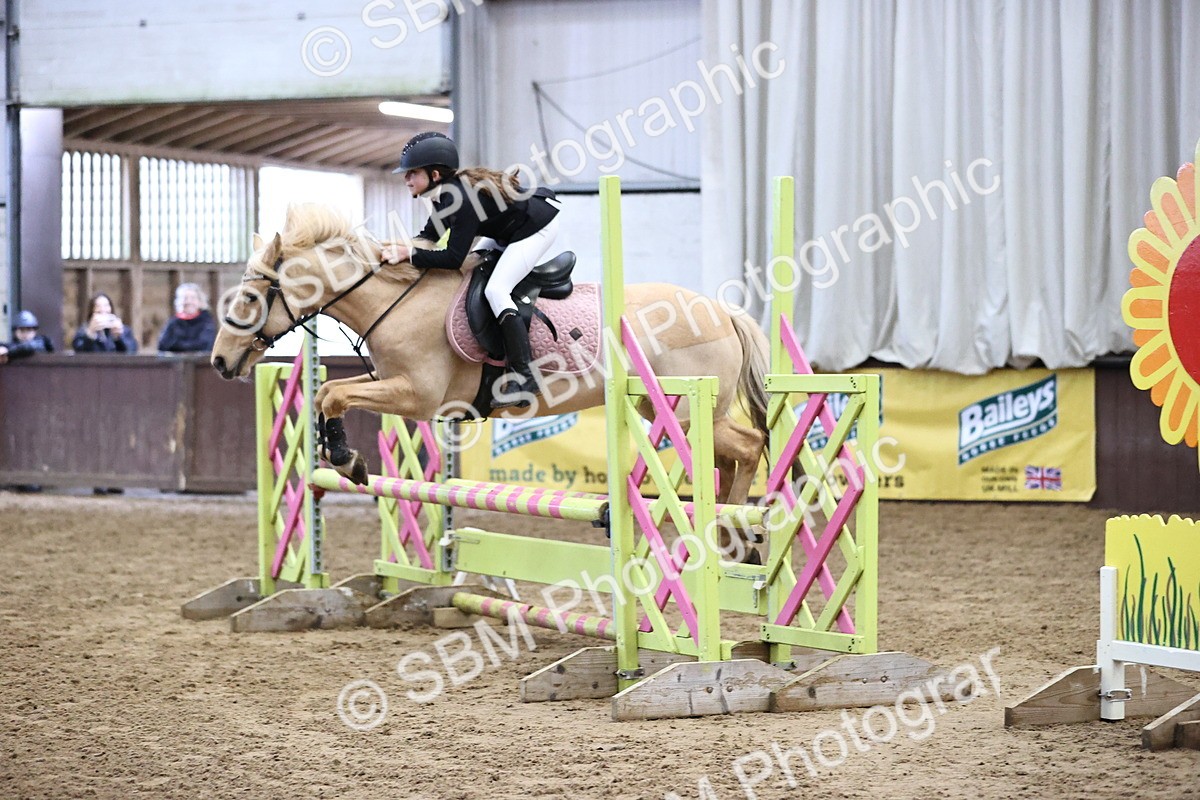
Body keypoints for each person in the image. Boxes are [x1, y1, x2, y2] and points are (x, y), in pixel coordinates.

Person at [380, 132, 568, 409]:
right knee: (476, 269)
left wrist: (409, 254)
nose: (406, 179)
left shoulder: (462, 199)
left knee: (496, 290)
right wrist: (387, 251)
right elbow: (429, 237)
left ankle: (526, 374)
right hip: (508, 229)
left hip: (535, 227)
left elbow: (453, 257)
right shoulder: (442, 195)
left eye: (412, 173)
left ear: (433, 174)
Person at [157, 283, 216, 354]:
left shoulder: (206, 322)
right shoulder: (173, 322)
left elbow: (204, 345)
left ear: (200, 302)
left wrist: (176, 346)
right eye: (184, 298)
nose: (188, 302)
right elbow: (162, 345)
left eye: (193, 298)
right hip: (175, 363)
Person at [72, 292, 138, 353]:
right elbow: (78, 352)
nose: (103, 309)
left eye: (106, 306)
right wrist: (90, 334)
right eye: (98, 306)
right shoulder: (84, 330)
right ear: (92, 311)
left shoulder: (124, 330)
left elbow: (132, 352)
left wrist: (119, 338)